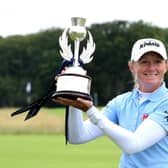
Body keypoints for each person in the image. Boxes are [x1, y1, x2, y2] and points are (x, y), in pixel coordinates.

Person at [53, 38, 168, 168]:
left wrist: (91, 111)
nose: (151, 68)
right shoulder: (121, 102)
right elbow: (77, 137)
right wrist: (74, 98)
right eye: (144, 62)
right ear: (131, 66)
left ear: (166, 65)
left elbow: (134, 144)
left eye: (157, 62)